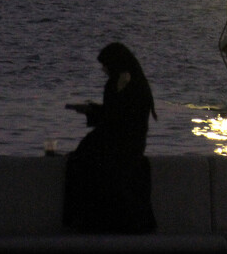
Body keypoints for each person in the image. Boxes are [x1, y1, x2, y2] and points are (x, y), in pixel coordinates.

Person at [63, 42, 158, 234]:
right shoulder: (136, 81)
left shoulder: (125, 83)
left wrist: (94, 110)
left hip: (121, 142)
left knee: (83, 163)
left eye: (105, 65)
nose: (104, 69)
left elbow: (118, 117)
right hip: (126, 141)